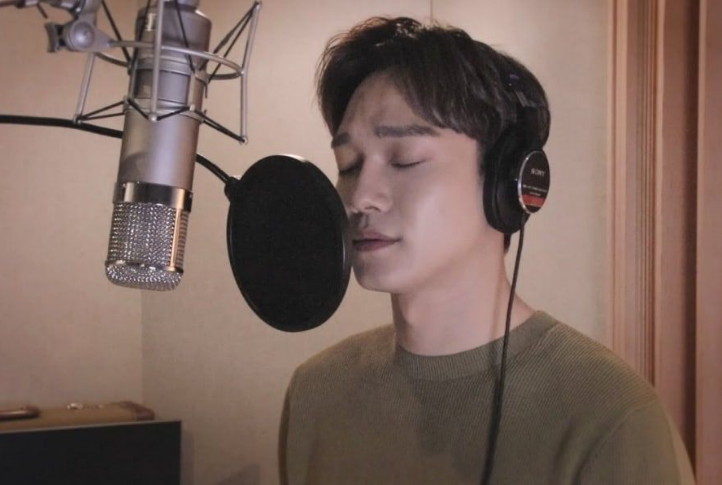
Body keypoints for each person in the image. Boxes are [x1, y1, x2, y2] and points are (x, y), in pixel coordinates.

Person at [278, 17, 695, 485]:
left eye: (405, 160)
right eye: (349, 165)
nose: (360, 198)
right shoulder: (315, 392)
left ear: (506, 184)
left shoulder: (611, 418)